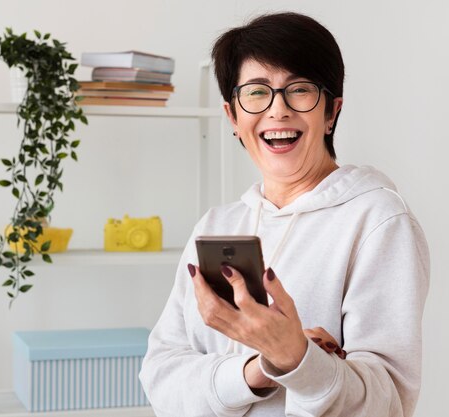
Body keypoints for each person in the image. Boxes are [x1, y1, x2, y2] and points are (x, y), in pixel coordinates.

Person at [139, 12, 429, 417]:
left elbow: (387, 402)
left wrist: (299, 361)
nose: (278, 110)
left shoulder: (377, 219)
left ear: (331, 112)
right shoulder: (217, 226)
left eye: (300, 90)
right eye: (257, 92)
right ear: (233, 117)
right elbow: (161, 380)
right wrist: (262, 369)